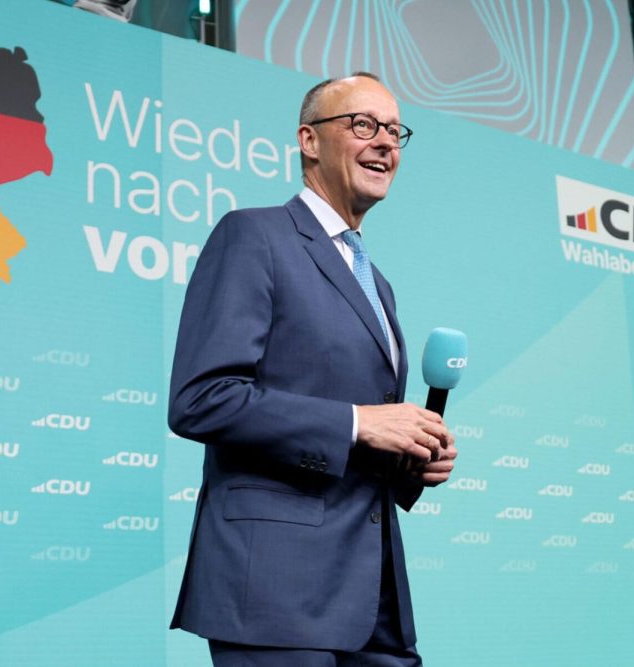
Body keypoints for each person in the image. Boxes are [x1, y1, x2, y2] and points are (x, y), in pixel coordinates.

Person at [167, 72, 457, 666]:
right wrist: (357, 423)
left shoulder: (377, 284)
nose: (385, 142)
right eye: (363, 125)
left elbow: (360, 439)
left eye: (395, 131)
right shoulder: (254, 236)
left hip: (373, 600)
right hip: (277, 589)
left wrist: (412, 457)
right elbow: (203, 398)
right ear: (308, 140)